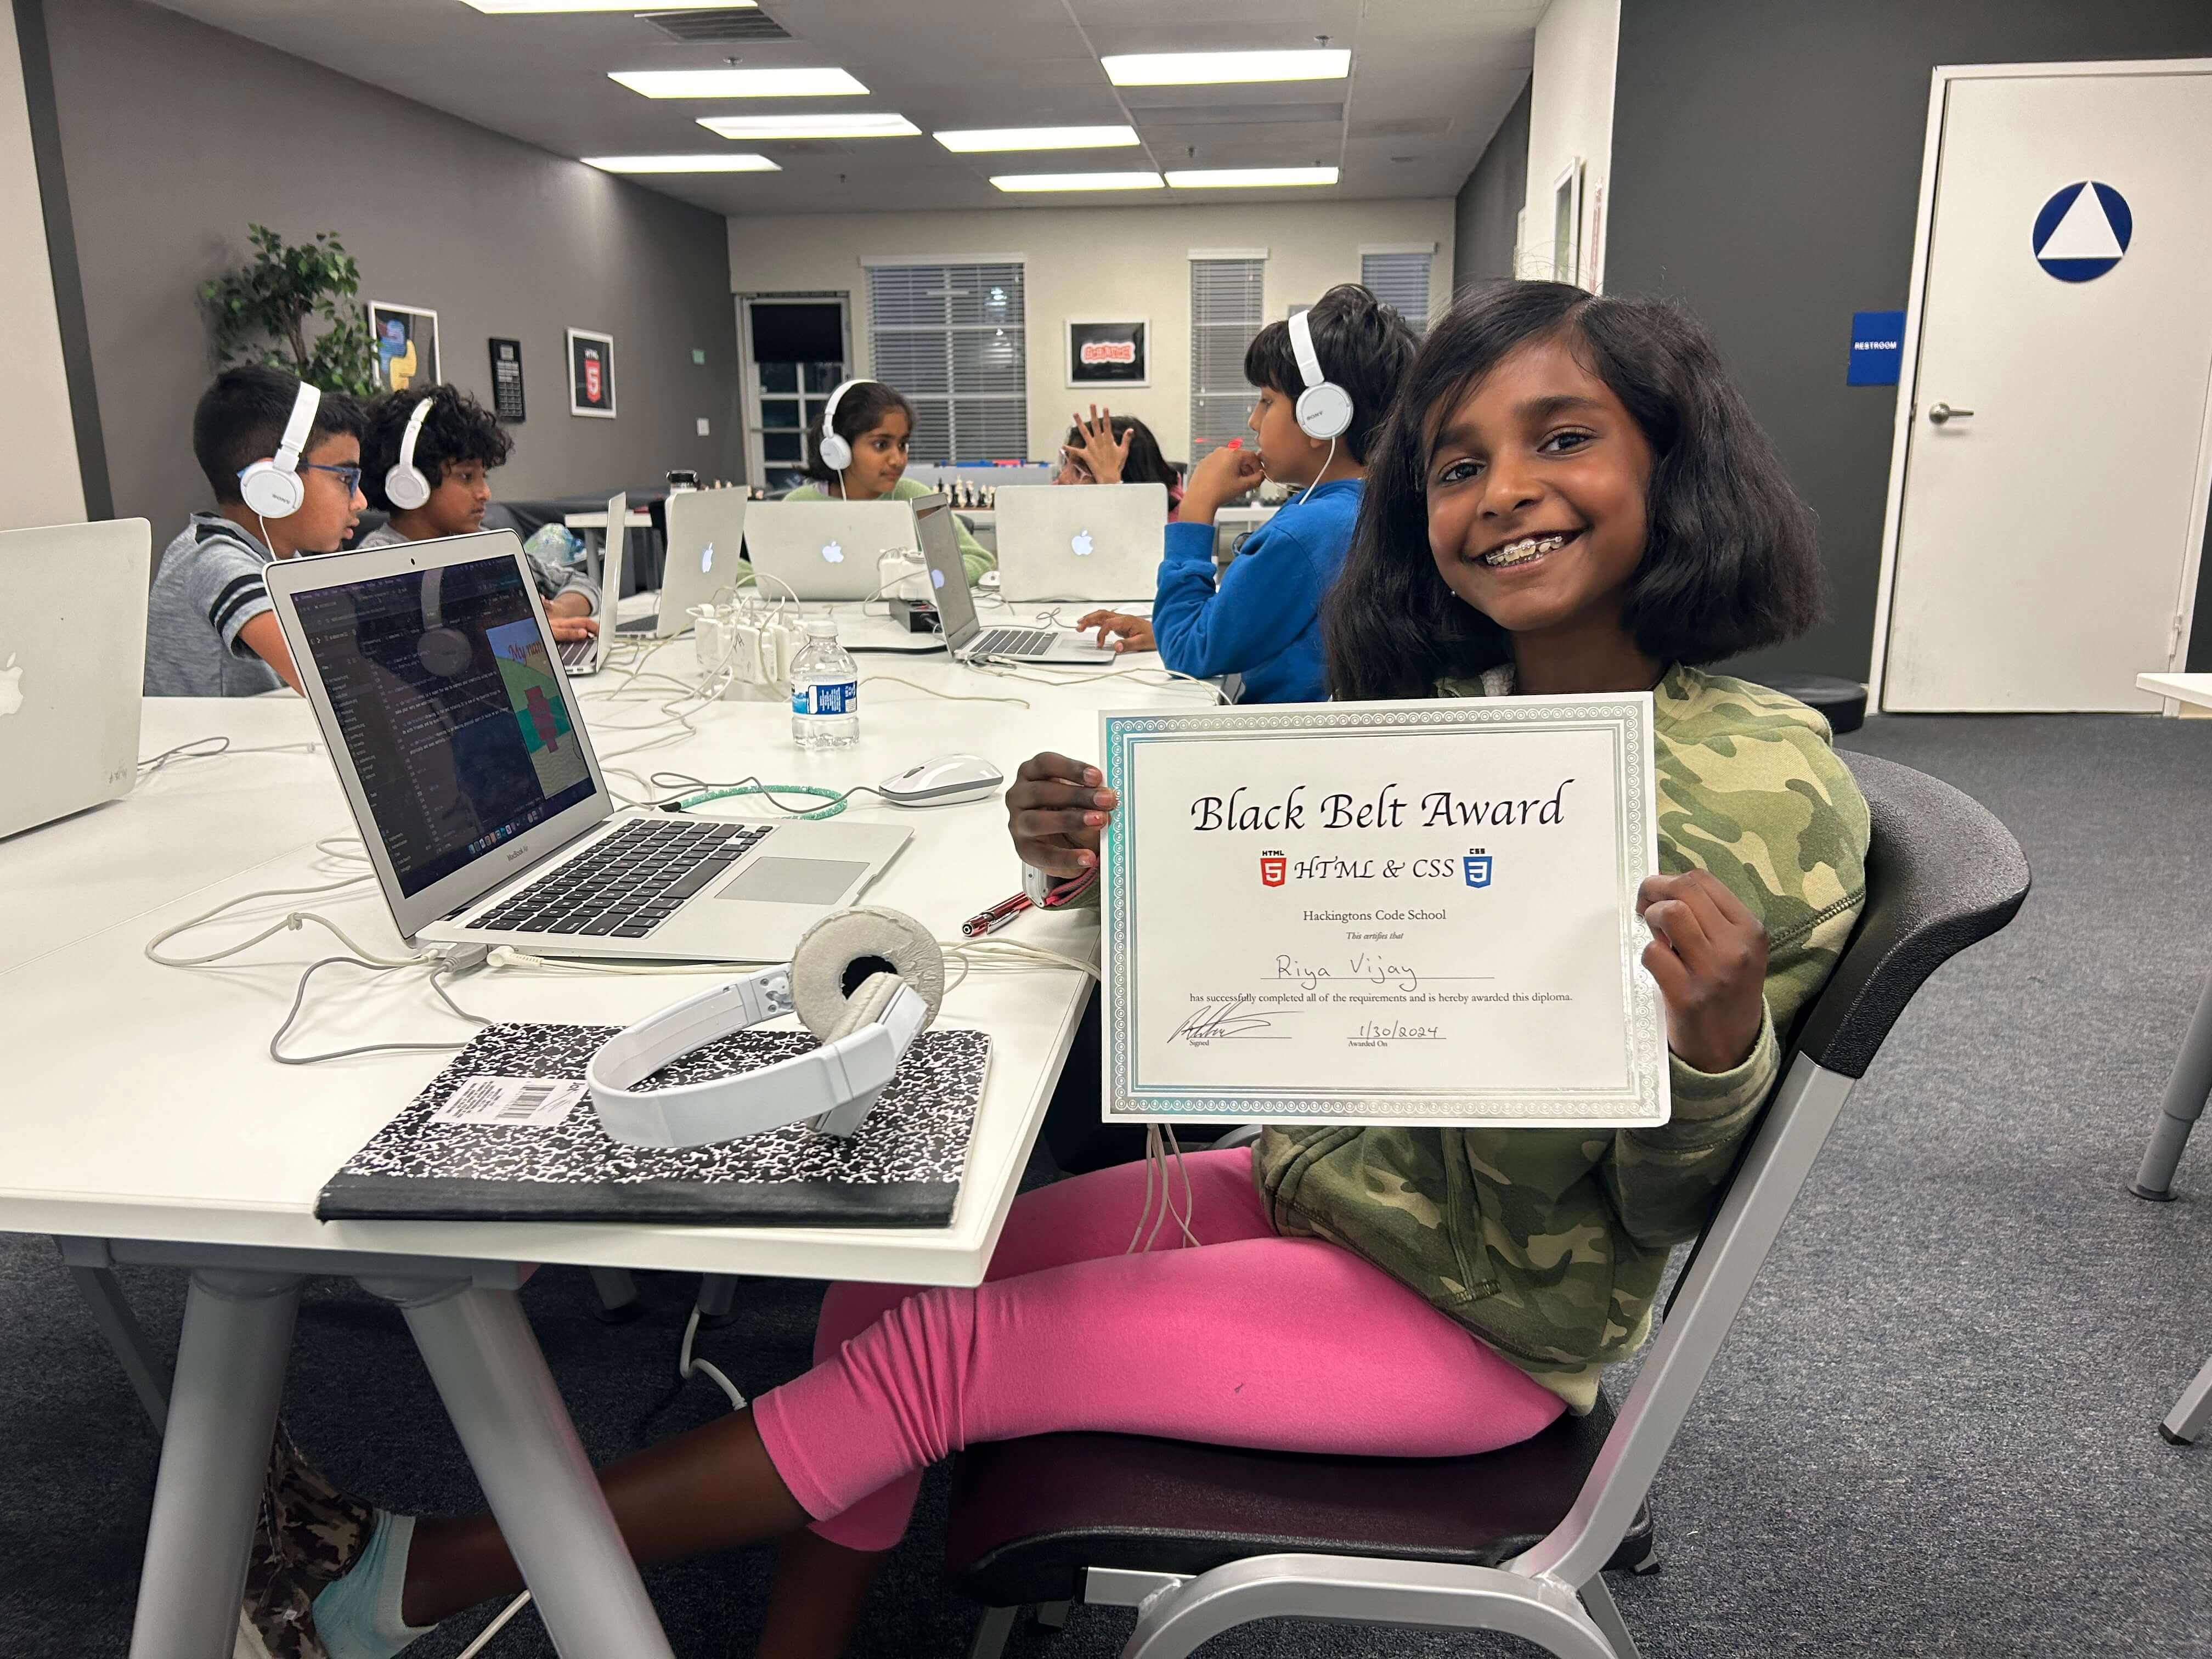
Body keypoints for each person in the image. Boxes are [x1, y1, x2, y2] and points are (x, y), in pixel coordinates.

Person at [272, 280, 1869, 1659]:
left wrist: (1719, 1038)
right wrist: (1105, 876)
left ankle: (411, 1587)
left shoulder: (1756, 791)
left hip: (1475, 1313)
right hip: (1338, 1183)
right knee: (886, 1281)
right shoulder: (1459, 723)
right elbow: (1335, 990)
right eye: (1459, 463)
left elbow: (1666, 1208)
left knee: (942, 1352)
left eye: (1564, 437)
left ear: (1677, 455)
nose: (1506, 489)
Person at [1073, 283, 1417, 701]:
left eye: (1267, 402)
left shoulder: (1311, 530)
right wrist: (1167, 629)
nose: (1254, 421)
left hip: (1272, 751)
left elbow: (1187, 653)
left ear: (1322, 416)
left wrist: (1198, 506)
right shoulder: (1362, 509)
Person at [144, 365, 366, 696]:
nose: (360, 501)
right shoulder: (213, 561)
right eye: (345, 479)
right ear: (275, 484)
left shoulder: (284, 561)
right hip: (215, 746)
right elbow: (336, 682)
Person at [355, 383, 599, 645]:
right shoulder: (375, 563)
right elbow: (403, 646)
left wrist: (554, 612)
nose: (485, 493)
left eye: (484, 477)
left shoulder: (484, 544)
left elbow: (582, 583)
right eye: (466, 477)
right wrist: (516, 631)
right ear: (411, 483)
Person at [782, 379, 994, 584]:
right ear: (839, 449)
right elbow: (757, 571)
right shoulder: (798, 504)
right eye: (881, 445)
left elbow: (979, 561)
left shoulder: (916, 498)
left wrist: (917, 581)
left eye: (902, 444)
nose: (897, 460)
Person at [1054, 404, 1183, 512]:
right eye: (1066, 462)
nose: (1061, 479)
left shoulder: (1173, 521)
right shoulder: (1058, 494)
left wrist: (1112, 487)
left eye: (1078, 472)